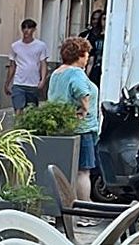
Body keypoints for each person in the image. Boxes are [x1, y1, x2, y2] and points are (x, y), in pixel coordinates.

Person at [48, 37, 100, 227]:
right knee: (83, 172)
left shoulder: (57, 73)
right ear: (80, 55)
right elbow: (81, 92)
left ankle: (58, 212)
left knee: (62, 171)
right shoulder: (77, 73)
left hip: (61, 129)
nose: (87, 58)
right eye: (86, 54)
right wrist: (85, 109)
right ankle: (86, 214)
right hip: (82, 129)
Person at [4, 19, 50, 115]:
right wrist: (8, 83)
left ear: (34, 30)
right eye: (24, 28)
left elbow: (43, 64)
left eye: (29, 28)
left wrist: (42, 80)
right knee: (18, 108)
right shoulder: (15, 46)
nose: (26, 30)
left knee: (31, 111)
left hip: (33, 83)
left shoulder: (40, 46)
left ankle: (27, 128)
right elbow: (12, 65)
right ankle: (18, 128)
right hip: (18, 82)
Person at [80, 10, 106, 88]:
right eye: (93, 19)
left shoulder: (106, 37)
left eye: (97, 19)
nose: (95, 22)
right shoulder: (86, 35)